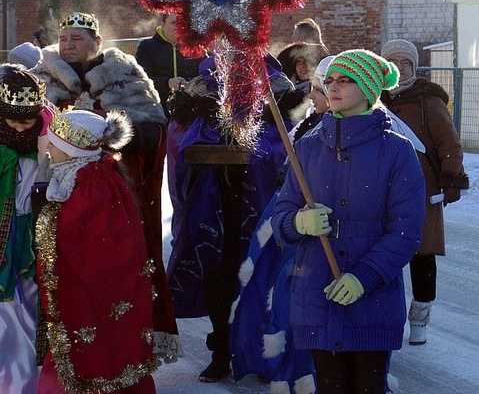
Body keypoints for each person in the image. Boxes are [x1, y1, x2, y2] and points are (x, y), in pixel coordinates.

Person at [271, 49, 426, 394]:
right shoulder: (308, 147)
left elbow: (406, 231)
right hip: (317, 297)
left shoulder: (397, 151)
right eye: (329, 82)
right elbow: (281, 218)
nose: (333, 87)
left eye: (345, 81)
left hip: (372, 303)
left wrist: (364, 277)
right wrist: (298, 223)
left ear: (369, 89)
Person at [31, 11, 181, 362]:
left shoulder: (127, 75)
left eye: (77, 39)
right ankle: (60, 352)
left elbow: (154, 131)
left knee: (112, 273)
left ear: (97, 42)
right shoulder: (42, 75)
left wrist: (109, 136)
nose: (68, 46)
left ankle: (120, 351)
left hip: (111, 200)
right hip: (55, 196)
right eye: (64, 39)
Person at [166, 54, 302, 383]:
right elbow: (178, 139)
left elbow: (286, 143)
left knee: (263, 275)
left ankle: (261, 351)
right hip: (212, 204)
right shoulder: (200, 84)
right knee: (218, 273)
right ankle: (220, 350)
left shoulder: (276, 85)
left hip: (258, 198)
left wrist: (253, 134)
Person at [230, 55, 333, 393]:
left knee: (303, 305)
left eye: (319, 89)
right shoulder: (310, 122)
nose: (312, 95)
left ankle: (307, 370)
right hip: (289, 220)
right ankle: (275, 361)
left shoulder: (339, 127)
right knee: (272, 292)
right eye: (314, 88)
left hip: (319, 232)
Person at [35, 109, 157, 393]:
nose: (49, 148)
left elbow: (83, 239)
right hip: (85, 286)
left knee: (95, 346)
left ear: (73, 150)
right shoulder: (81, 174)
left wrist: (48, 214)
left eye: (55, 143)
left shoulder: (91, 185)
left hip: (91, 289)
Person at [380, 39, 469, 345]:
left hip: (422, 190)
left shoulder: (427, 100)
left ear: (414, 68)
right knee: (383, 257)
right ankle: (383, 318)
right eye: (394, 62)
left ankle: (419, 321)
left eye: (406, 63)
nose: (400, 68)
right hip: (381, 190)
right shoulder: (373, 101)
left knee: (422, 256)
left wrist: (451, 177)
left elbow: (449, 143)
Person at [0, 64, 54, 392]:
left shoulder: (47, 144)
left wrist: (46, 135)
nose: (20, 128)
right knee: (6, 305)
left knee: (36, 298)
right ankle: (11, 377)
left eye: (28, 121)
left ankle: (34, 377)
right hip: (3, 233)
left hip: (35, 231)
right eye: (12, 120)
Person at [135, 12, 206, 116]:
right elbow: (140, 80)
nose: (178, 27)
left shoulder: (197, 47)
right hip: (159, 108)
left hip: (192, 108)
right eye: (174, 23)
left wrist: (191, 83)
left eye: (182, 23)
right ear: (162, 24)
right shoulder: (147, 47)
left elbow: (206, 77)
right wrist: (167, 83)